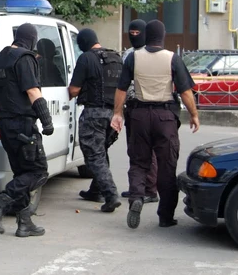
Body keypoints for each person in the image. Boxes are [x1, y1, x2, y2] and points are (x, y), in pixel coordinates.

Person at [111, 20, 200, 229]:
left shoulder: (134, 57)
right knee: (166, 167)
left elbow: (122, 88)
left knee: (139, 162)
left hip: (139, 116)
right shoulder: (172, 58)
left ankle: (137, 199)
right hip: (165, 117)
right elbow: (186, 91)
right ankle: (165, 216)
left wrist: (117, 113)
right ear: (163, 35)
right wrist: (194, 115)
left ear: (145, 35)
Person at [0, 23, 55, 237]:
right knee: (38, 172)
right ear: (31, 39)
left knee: (22, 172)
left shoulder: (1, 57)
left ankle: (25, 223)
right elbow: (32, 90)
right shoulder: (24, 58)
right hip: (22, 124)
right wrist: (46, 120)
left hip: (5, 124)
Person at [68, 29, 122, 213]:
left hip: (94, 114)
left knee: (94, 156)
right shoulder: (115, 58)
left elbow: (74, 90)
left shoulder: (86, 58)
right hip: (114, 115)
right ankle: (95, 190)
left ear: (83, 42)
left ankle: (111, 195)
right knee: (101, 151)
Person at [120, 20, 158, 204]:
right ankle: (137, 188)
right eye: (131, 32)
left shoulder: (152, 54)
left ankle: (150, 190)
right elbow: (122, 84)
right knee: (134, 150)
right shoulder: (128, 54)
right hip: (132, 108)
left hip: (149, 107)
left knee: (147, 151)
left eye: (138, 33)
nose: (134, 36)